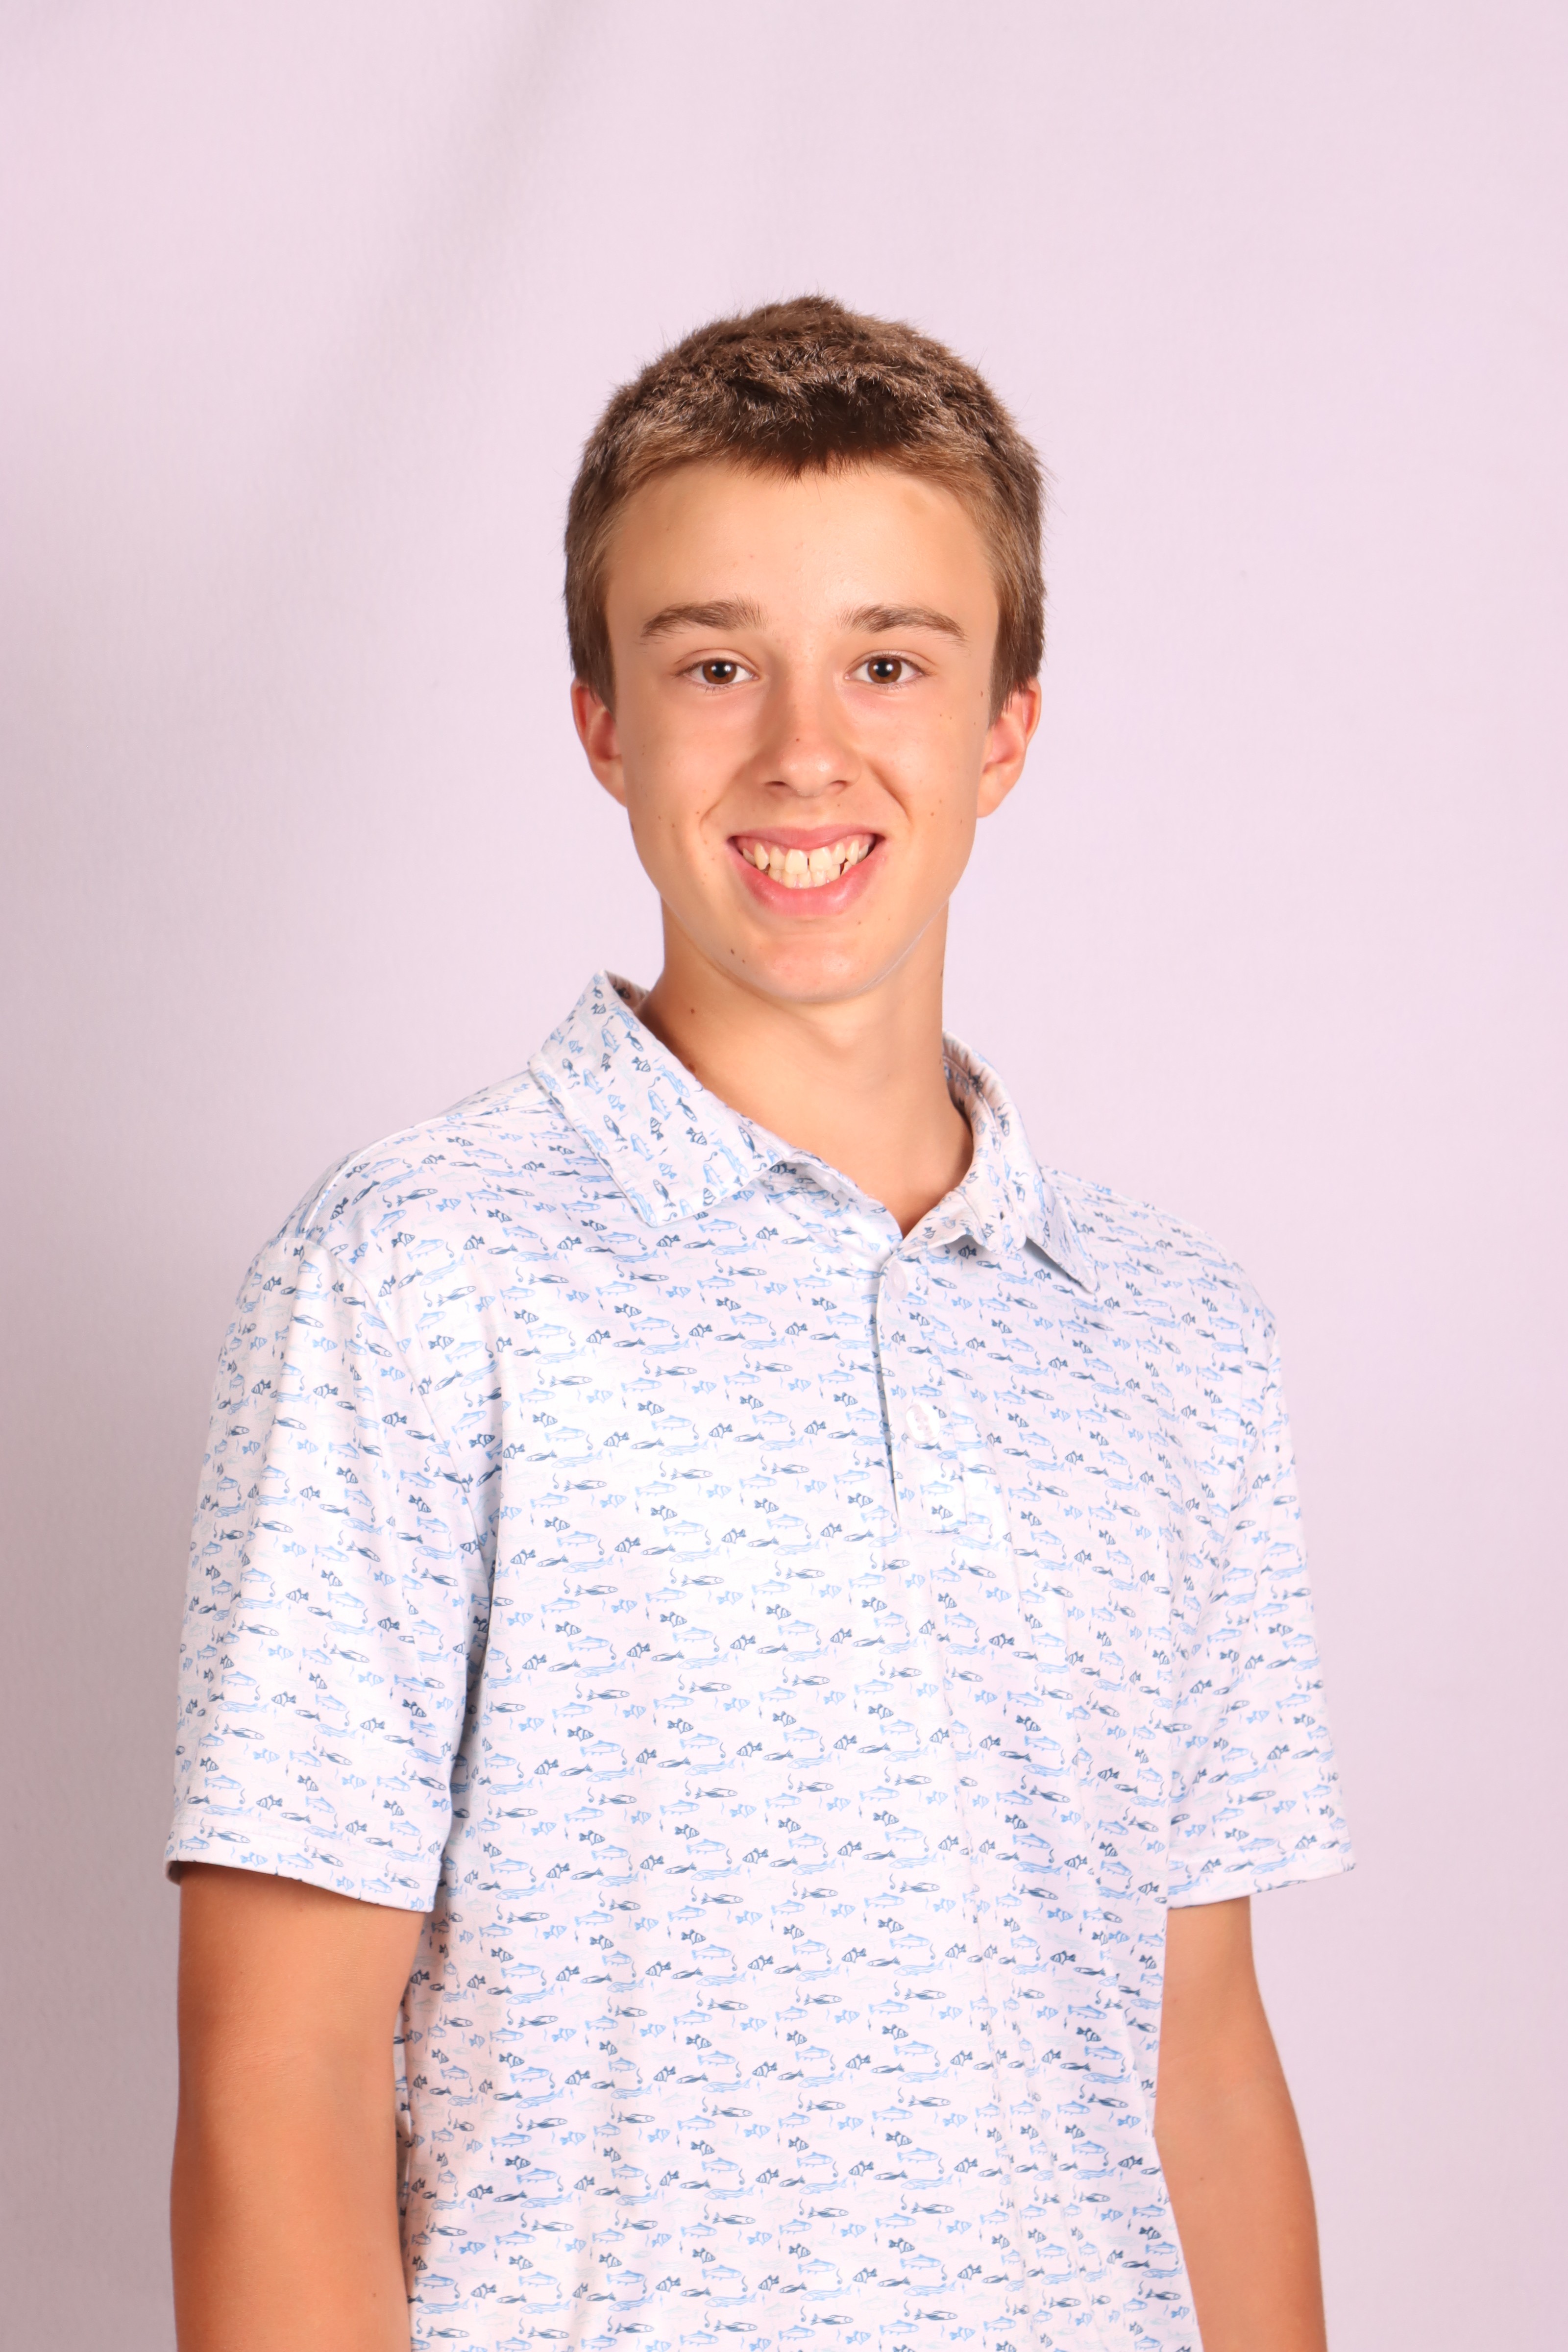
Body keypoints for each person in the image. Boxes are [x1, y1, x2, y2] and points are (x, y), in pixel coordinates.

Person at [168, 295, 1351, 2352]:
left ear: (1004, 730)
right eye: (715, 664)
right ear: (603, 726)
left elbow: (1200, 2059)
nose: (807, 749)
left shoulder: (1174, 1338)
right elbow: (279, 2069)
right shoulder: (413, 1276)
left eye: (889, 662)